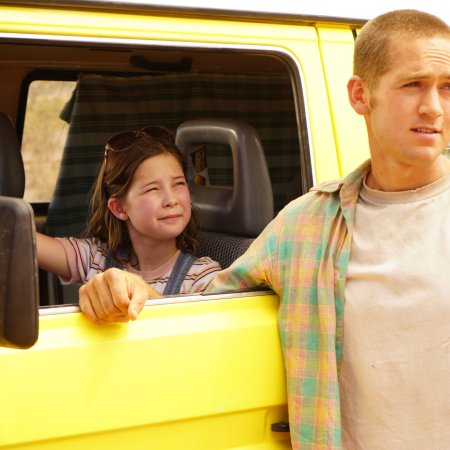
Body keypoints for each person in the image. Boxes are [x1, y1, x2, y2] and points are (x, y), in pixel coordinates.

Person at [77, 9, 450, 449]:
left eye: (447, 87)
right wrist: (125, 288)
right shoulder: (306, 224)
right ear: (360, 95)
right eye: (413, 85)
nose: (434, 107)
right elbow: (204, 310)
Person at [37, 126, 221, 323]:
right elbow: (21, 241)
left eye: (179, 184)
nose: (171, 200)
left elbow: (199, 340)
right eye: (153, 189)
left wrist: (142, 291)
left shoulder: (202, 277)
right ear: (119, 208)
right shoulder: (94, 259)